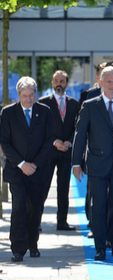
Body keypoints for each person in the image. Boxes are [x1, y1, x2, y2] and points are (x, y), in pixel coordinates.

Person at [72, 66, 113, 261]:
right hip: (97, 163)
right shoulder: (90, 105)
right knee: (99, 206)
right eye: (108, 81)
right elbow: (80, 136)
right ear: (101, 82)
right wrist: (76, 163)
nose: (112, 85)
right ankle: (100, 247)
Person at [0, 76, 51, 262]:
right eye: (25, 95)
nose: (28, 99)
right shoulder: (7, 113)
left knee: (35, 208)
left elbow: (48, 140)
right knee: (19, 206)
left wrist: (34, 164)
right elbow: (4, 141)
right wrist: (22, 164)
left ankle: (33, 244)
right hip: (16, 169)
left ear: (35, 94)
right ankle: (18, 249)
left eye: (31, 95)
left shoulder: (45, 112)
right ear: (18, 94)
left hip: (38, 170)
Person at [39, 70, 79, 231]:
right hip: (49, 151)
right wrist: (55, 141)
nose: (59, 84)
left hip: (66, 151)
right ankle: (36, 222)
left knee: (64, 188)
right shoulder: (43, 103)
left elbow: (77, 126)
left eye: (62, 81)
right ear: (52, 83)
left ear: (67, 83)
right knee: (43, 187)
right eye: (56, 81)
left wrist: (69, 141)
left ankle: (62, 222)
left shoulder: (74, 104)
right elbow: (41, 128)